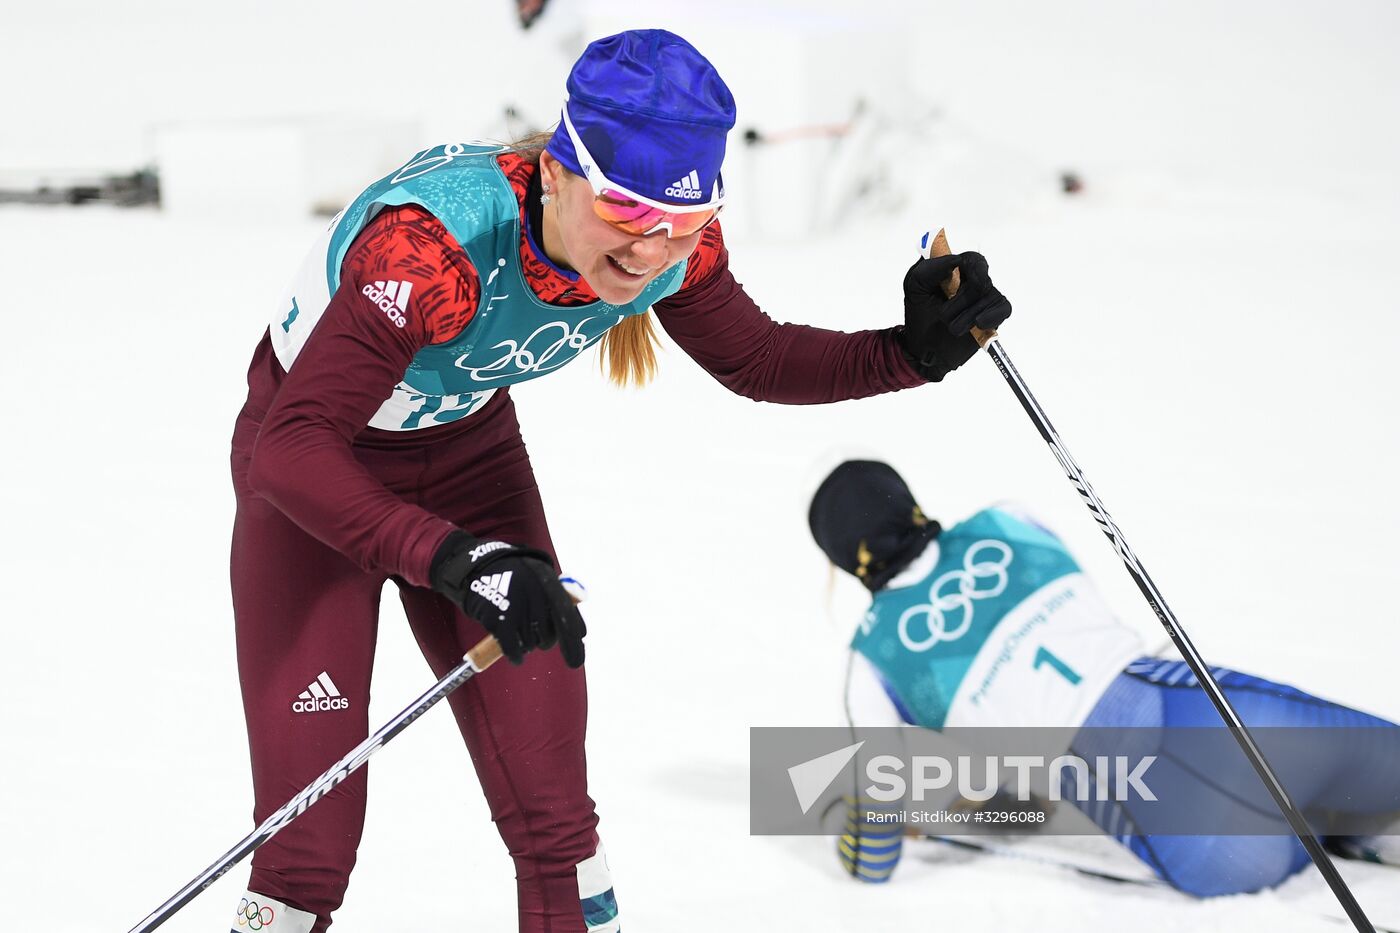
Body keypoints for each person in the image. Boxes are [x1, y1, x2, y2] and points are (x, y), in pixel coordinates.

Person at [228, 29, 1014, 933]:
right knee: (306, 847)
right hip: (314, 483)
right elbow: (292, 448)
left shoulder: (672, 246)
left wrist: (910, 353)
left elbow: (756, 357)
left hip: (467, 463)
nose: (650, 251)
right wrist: (449, 557)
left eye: (684, 221)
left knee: (556, 821)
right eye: (626, 212)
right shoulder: (430, 249)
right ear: (557, 173)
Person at [807, 459, 1400, 896]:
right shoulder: (1007, 521)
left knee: (1282, 832)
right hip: (1239, 720)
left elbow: (875, 858)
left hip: (1209, 849)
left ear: (842, 560)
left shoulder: (871, 660)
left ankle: (1316, 821)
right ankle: (1337, 808)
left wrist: (850, 827)